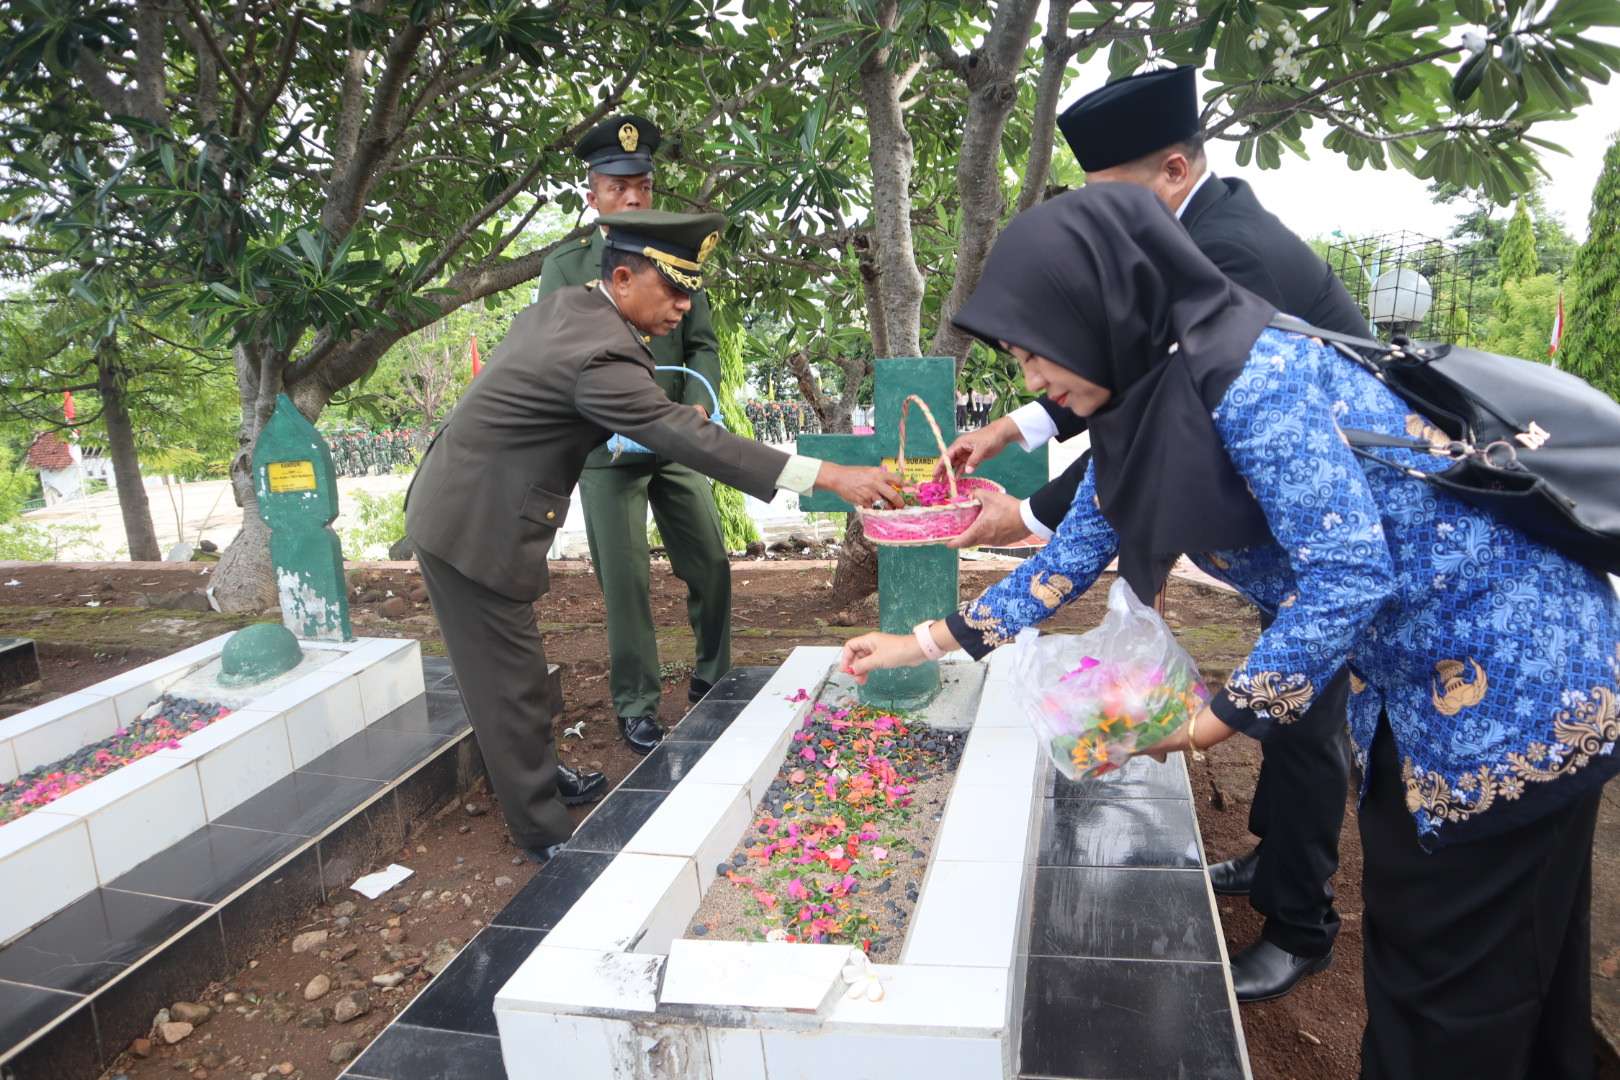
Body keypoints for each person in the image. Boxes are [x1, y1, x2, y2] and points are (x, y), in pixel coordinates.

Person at [843, 183, 1619, 1079]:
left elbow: (1348, 576)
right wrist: (922, 643)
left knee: (1448, 980)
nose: (1031, 383)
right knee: (1512, 953)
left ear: (1097, 312)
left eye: (1032, 352)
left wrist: (1208, 724)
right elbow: (1073, 554)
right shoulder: (1149, 398)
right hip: (1430, 679)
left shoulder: (1253, 380)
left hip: (1514, 678)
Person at [939, 65, 1368, 1002]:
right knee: (1288, 709)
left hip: (1341, 537)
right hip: (1292, 541)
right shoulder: (1173, 244)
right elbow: (1116, 379)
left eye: (1112, 202)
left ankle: (1301, 922)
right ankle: (1274, 859)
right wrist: (1013, 429)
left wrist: (1032, 513)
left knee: (1300, 713)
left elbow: (1150, 428)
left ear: (1175, 170)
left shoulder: (1230, 258)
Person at [406, 209, 900, 864]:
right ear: (621, 278)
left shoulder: (571, 310)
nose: (684, 306)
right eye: (672, 289)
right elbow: (689, 438)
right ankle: (544, 833)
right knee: (507, 682)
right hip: (473, 525)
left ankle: (534, 775)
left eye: (689, 291)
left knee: (512, 673)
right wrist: (830, 475)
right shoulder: (600, 353)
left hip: (465, 501)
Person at [536, 114, 736, 756]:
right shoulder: (566, 267)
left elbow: (701, 343)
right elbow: (556, 356)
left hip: (676, 439)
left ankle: (713, 677)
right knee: (625, 584)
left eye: (642, 186)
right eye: (616, 187)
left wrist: (697, 407)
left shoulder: (676, 254)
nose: (631, 198)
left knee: (710, 563)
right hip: (606, 449)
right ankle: (637, 704)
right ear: (592, 194)